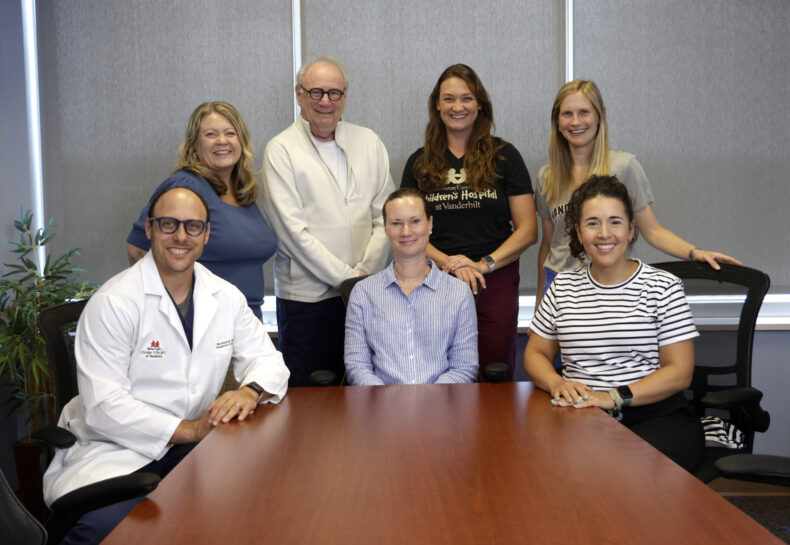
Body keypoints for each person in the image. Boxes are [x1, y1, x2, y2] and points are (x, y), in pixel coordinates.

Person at [44, 187, 290, 545]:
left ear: (206, 234)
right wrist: (191, 430)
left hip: (192, 452)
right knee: (119, 532)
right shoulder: (114, 302)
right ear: (149, 228)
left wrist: (250, 391)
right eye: (169, 224)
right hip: (116, 451)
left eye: (193, 227)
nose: (180, 236)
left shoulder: (225, 295)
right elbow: (103, 407)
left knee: (252, 508)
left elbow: (269, 360)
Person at [525, 175, 704, 472]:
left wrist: (612, 397)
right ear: (579, 233)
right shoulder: (563, 286)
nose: (604, 234)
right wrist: (557, 382)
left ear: (632, 230)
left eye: (615, 222)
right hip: (579, 412)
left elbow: (680, 373)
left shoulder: (663, 286)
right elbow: (535, 354)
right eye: (593, 223)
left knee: (628, 474)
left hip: (654, 415)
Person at [535, 79, 740, 304]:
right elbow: (549, 245)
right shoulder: (547, 176)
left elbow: (653, 231)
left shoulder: (624, 167)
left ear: (600, 115)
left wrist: (695, 253)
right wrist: (539, 304)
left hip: (607, 283)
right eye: (567, 114)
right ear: (557, 120)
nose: (576, 122)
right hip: (558, 285)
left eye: (584, 112)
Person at [262, 56, 394, 387]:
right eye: (316, 92)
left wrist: (365, 274)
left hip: (367, 292)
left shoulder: (369, 142)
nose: (325, 101)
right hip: (308, 302)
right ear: (299, 94)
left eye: (334, 93)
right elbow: (292, 233)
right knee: (312, 398)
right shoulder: (281, 150)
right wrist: (348, 278)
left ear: (345, 97)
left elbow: (386, 216)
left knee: (365, 391)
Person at [401, 64, 537, 381]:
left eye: (466, 98)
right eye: (449, 99)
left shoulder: (506, 156)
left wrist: (482, 265)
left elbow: (528, 230)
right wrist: (450, 263)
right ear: (437, 104)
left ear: (480, 105)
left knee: (494, 370)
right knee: (436, 373)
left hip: (495, 276)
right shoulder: (418, 163)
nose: (457, 107)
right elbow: (408, 230)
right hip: (435, 279)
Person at [127, 101, 276, 319]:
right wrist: (176, 306)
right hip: (203, 319)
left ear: (241, 141)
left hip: (246, 318)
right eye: (210, 134)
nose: (222, 141)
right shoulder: (186, 187)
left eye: (230, 133)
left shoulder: (242, 191)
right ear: (194, 146)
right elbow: (136, 249)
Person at [344, 188, 478, 385]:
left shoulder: (458, 292)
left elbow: (464, 367)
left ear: (430, 224)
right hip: (380, 409)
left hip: (442, 409)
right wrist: (388, 403)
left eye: (415, 221)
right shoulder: (363, 293)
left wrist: (428, 401)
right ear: (386, 230)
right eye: (396, 223)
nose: (406, 232)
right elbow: (357, 366)